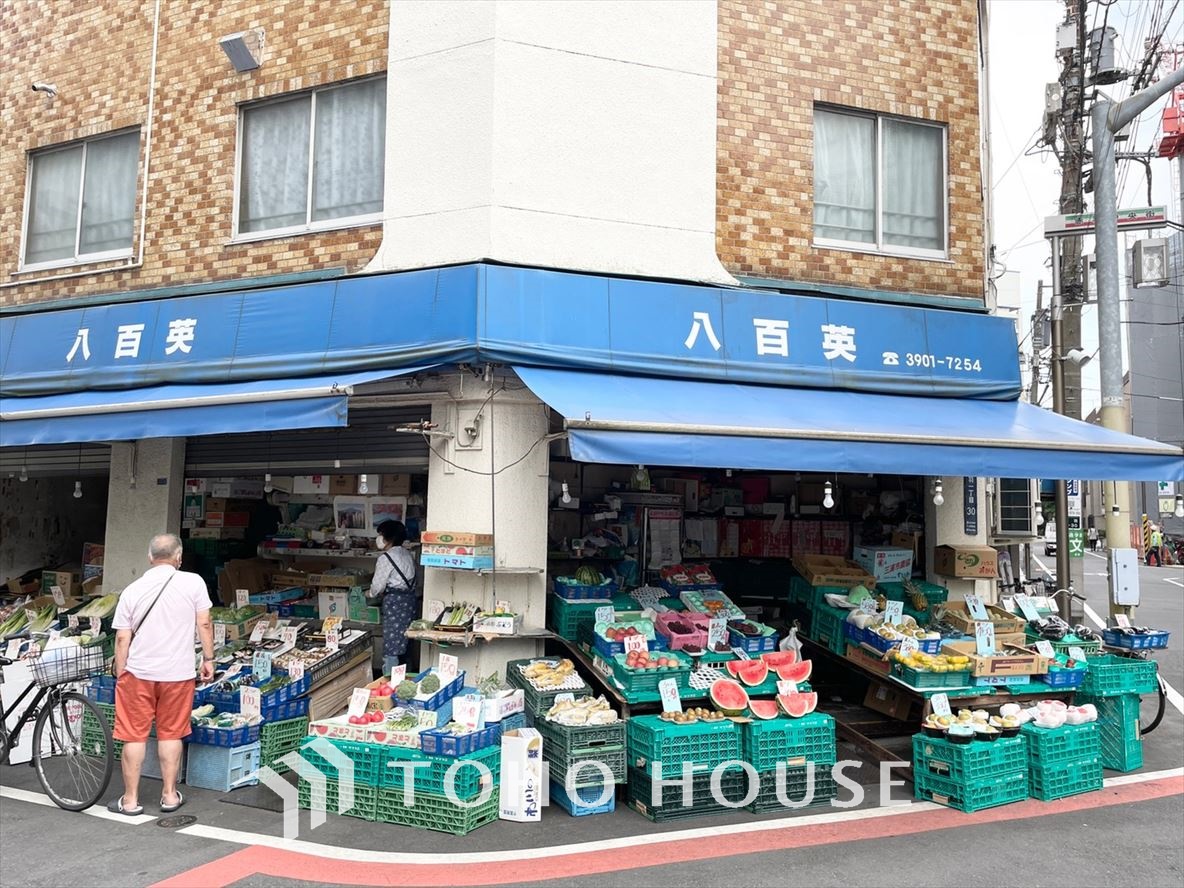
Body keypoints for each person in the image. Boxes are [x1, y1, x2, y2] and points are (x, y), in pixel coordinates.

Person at [108, 534, 214, 815]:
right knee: (171, 733)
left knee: (134, 736)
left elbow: (122, 638)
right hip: (178, 674)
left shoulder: (132, 590)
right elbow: (204, 623)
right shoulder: (194, 582)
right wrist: (208, 659)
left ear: (149, 557)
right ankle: (169, 795)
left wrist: (122, 671)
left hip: (138, 673)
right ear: (179, 557)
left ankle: (130, 800)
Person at [369, 520, 418, 672]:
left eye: (380, 534)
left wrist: (369, 593)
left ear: (388, 538)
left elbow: (377, 587)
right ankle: (407, 677)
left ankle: (390, 678)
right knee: (406, 641)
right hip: (409, 602)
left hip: (394, 604)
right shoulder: (407, 554)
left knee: (392, 644)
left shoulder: (386, 558)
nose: (378, 538)